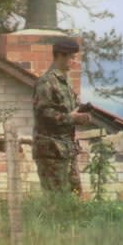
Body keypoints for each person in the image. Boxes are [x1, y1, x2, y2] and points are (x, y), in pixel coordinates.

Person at [32, 38, 91, 194]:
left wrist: (81, 114)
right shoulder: (47, 82)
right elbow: (43, 113)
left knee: (74, 195)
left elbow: (69, 110)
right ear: (59, 55)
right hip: (51, 151)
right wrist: (72, 118)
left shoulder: (66, 82)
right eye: (72, 57)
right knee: (55, 198)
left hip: (66, 149)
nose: (74, 61)